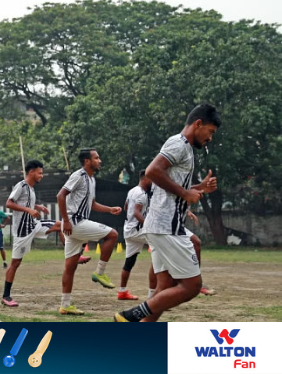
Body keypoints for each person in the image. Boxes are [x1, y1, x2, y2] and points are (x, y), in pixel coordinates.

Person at [116, 104, 221, 322]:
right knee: (192, 287)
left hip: (162, 225)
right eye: (210, 132)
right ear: (198, 124)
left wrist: (199, 187)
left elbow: (171, 184)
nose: (210, 138)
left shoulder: (185, 148)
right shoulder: (179, 144)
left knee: (165, 286)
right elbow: (153, 171)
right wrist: (185, 193)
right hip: (166, 227)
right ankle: (131, 315)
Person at [56, 148, 122, 315]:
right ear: (87, 161)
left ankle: (65, 305)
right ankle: (99, 273)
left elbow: (92, 204)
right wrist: (66, 220)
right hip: (75, 223)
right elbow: (60, 195)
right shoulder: (79, 175)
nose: (100, 161)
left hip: (74, 226)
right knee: (112, 235)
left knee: (70, 267)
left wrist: (109, 209)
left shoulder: (91, 180)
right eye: (96, 158)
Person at [2, 160, 61, 307]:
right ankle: (6, 296)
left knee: (60, 225)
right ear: (31, 172)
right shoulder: (21, 185)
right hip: (23, 231)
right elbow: (9, 203)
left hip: (34, 225)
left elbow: (24, 203)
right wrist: (29, 210)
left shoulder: (31, 189)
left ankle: (74, 255)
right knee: (15, 263)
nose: (42, 175)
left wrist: (37, 206)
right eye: (40, 173)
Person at [118, 170, 154, 300]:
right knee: (159, 252)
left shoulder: (132, 191)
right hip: (138, 230)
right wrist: (147, 225)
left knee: (130, 261)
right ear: (145, 179)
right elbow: (136, 212)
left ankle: (122, 292)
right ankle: (152, 296)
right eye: (152, 179)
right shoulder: (142, 194)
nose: (153, 183)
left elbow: (126, 207)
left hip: (128, 229)